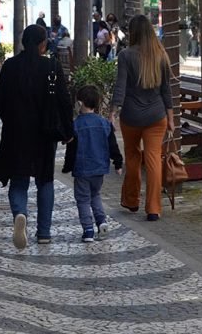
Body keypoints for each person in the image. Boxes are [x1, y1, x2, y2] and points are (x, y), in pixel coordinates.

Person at [0, 24, 73, 249]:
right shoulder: (52, 67)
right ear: (43, 43)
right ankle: (44, 233)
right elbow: (64, 101)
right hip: (45, 134)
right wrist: (68, 131)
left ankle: (20, 213)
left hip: (16, 132)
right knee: (45, 180)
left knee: (19, 179)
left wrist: (11, 122)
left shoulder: (10, 66)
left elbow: (1, 102)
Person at [111, 14, 174, 222]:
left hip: (131, 116)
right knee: (154, 160)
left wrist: (114, 110)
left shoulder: (126, 56)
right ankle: (154, 208)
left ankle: (131, 200)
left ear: (133, 33)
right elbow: (167, 91)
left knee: (132, 157)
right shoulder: (161, 55)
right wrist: (171, 118)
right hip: (157, 116)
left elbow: (120, 85)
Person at [62, 85, 123, 243]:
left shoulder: (76, 125)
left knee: (83, 199)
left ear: (79, 104)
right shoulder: (104, 123)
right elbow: (113, 145)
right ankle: (101, 221)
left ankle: (88, 229)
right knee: (95, 195)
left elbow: (71, 149)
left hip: (82, 169)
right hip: (99, 169)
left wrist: (67, 166)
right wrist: (118, 163)